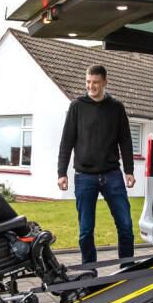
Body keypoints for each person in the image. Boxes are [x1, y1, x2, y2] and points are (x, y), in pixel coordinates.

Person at [57, 65, 135, 264]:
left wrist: (129, 170)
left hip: (112, 175)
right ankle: (89, 271)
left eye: (95, 82)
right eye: (88, 82)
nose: (91, 86)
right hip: (84, 177)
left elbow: (125, 140)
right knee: (85, 231)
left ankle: (128, 268)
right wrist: (61, 172)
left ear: (105, 82)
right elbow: (67, 141)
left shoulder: (116, 107)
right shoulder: (77, 106)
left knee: (125, 225)